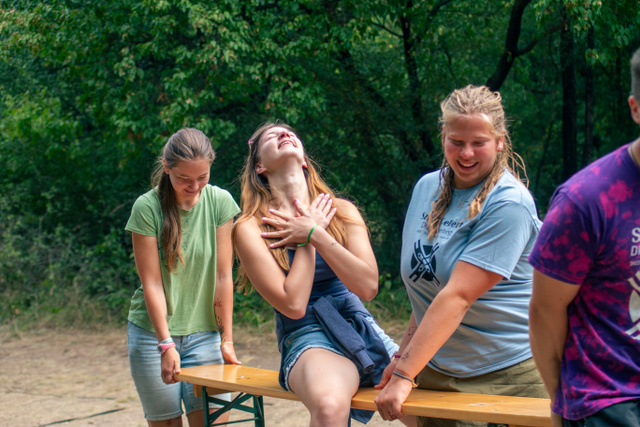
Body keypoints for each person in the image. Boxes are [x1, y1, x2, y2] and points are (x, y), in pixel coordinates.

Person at [374, 85, 547, 426]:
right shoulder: (426, 188)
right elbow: (428, 293)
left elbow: (457, 296)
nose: (466, 153)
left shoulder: (509, 203)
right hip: (438, 368)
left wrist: (405, 375)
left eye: (479, 142)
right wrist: (403, 358)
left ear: (500, 141)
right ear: (443, 137)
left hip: (510, 375)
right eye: (456, 141)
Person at [232, 122, 415, 427]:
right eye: (271, 136)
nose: (284, 134)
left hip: (359, 327)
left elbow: (368, 286)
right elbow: (293, 305)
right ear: (260, 166)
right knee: (330, 407)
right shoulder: (250, 227)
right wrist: (306, 238)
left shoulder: (342, 211)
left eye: (289, 132)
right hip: (305, 334)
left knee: (437, 414)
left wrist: (314, 232)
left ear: (304, 160)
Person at [528, 48, 640, 427]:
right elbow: (545, 311)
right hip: (610, 401)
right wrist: (562, 404)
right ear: (635, 109)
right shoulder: (586, 200)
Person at [125, 127, 241, 427]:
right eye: (184, 179)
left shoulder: (220, 202)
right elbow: (152, 283)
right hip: (152, 336)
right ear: (166, 167)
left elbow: (223, 277)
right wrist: (166, 344)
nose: (194, 186)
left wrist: (226, 339)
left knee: (213, 423)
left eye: (202, 177)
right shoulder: (147, 208)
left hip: (205, 335)